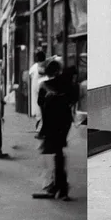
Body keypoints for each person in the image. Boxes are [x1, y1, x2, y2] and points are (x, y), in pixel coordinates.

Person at [31, 58, 76, 200]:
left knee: (51, 153)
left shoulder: (44, 85)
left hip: (50, 122)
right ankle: (60, 187)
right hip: (64, 122)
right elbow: (72, 99)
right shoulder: (67, 84)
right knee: (58, 151)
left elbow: (40, 103)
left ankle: (58, 187)